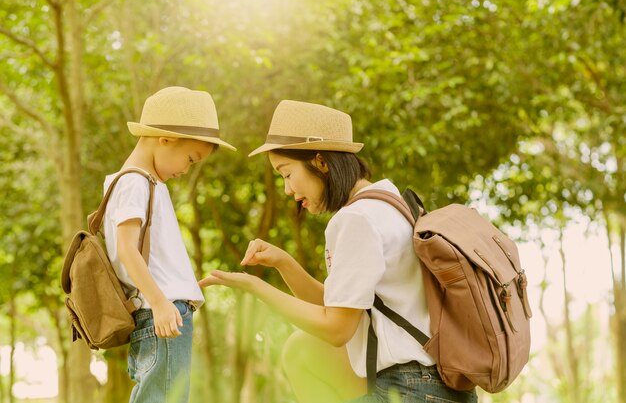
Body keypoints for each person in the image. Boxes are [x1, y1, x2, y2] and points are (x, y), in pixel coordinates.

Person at [198, 100, 477, 403]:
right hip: (440, 387)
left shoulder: (356, 219)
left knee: (303, 349)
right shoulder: (390, 202)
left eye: (287, 173)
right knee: (302, 350)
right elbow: (342, 308)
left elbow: (336, 330)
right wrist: (284, 263)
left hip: (412, 390)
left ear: (320, 162)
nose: (287, 190)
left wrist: (254, 286)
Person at [103, 86, 236, 403]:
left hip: (163, 312)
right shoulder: (134, 181)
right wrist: (161, 302)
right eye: (191, 158)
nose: (187, 169)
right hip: (160, 311)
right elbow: (126, 249)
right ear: (165, 139)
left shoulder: (143, 183)